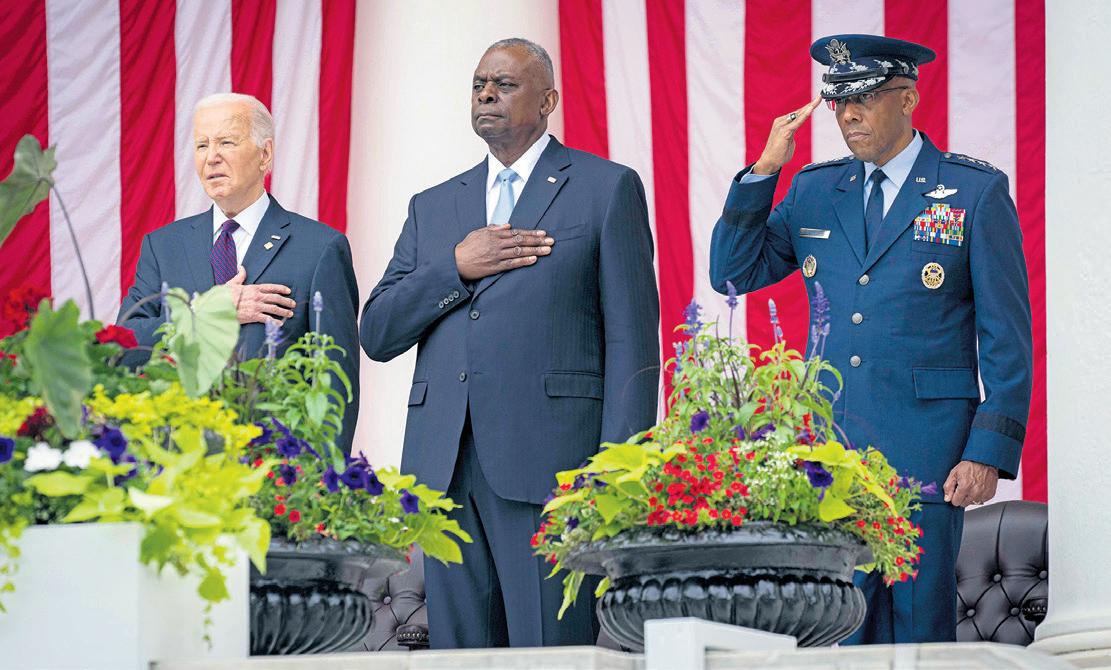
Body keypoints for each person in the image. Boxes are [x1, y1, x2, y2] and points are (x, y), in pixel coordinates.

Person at [709, 34, 1033, 643]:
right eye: (838, 103)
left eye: (864, 99)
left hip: (929, 454)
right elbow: (732, 273)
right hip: (829, 458)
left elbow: (1007, 337)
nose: (848, 116)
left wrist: (988, 450)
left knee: (919, 636)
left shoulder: (973, 192)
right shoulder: (813, 189)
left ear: (907, 98)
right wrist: (764, 171)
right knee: (835, 633)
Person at [360, 38, 659, 649]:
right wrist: (455, 266)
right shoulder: (433, 206)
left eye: (505, 84)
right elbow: (378, 331)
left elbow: (633, 343)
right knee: (459, 657)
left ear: (548, 101)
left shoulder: (605, 188)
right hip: (444, 473)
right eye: (479, 85)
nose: (487, 94)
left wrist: (616, 473)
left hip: (556, 470)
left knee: (551, 654)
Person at [118, 93, 360, 450]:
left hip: (273, 466)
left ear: (265, 154)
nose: (211, 157)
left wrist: (319, 476)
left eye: (226, 142)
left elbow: (334, 389)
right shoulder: (163, 246)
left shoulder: (320, 248)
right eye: (202, 145)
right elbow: (124, 347)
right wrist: (204, 313)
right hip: (176, 461)